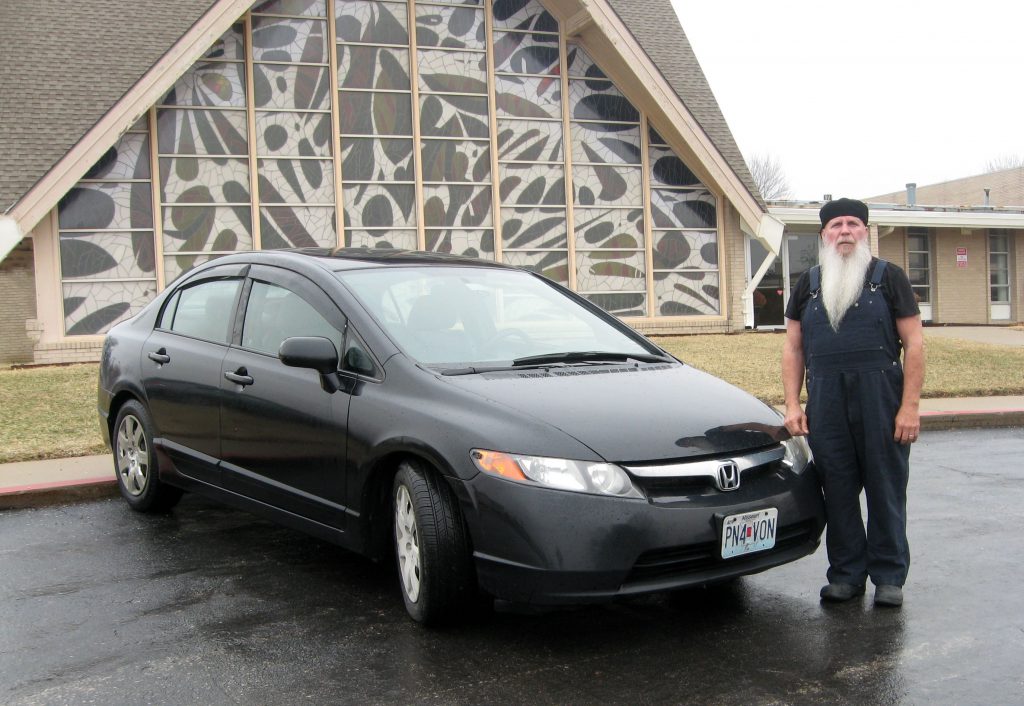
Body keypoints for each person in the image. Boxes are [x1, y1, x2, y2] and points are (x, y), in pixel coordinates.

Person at [781, 198, 925, 608]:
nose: (845, 231)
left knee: (885, 488)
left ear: (865, 231)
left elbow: (914, 344)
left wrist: (909, 406)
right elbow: (793, 348)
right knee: (837, 489)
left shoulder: (888, 278)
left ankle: (888, 576)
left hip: (881, 398)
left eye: (853, 224)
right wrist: (793, 404)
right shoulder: (808, 283)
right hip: (825, 400)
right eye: (836, 225)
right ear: (824, 235)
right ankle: (845, 574)